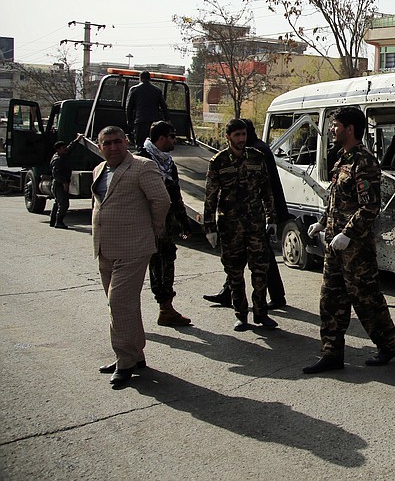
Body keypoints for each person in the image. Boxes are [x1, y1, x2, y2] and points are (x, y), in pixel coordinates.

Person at [302, 106, 395, 374]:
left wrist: (347, 233)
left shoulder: (364, 162)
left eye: (336, 125)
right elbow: (337, 200)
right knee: (330, 299)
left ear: (350, 129)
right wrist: (323, 222)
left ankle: (389, 345)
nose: (332, 130)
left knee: (367, 300)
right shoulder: (341, 160)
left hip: (355, 248)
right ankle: (331, 353)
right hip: (335, 246)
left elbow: (370, 207)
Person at [91, 126, 170, 387]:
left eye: (117, 142)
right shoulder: (99, 170)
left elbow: (161, 201)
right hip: (105, 249)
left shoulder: (142, 166)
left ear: (126, 142)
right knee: (125, 307)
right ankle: (135, 355)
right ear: (99, 146)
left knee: (119, 303)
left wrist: (152, 230)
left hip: (134, 248)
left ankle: (124, 362)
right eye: (107, 143)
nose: (112, 147)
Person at [203, 118, 279, 332]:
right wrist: (209, 227)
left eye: (243, 135)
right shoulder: (218, 162)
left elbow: (267, 191)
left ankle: (261, 313)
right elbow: (210, 196)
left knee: (260, 270)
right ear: (228, 137)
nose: (241, 139)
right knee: (234, 272)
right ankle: (241, 315)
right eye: (237, 135)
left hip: (255, 224)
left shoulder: (257, 157)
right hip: (230, 226)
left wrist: (271, 219)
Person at [136, 121, 192, 327]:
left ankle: (165, 308)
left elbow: (175, 195)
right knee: (141, 268)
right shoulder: (140, 160)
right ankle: (126, 314)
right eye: (172, 136)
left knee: (166, 261)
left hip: (165, 226)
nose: (175, 140)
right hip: (144, 225)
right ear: (161, 138)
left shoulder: (168, 163)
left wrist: (184, 223)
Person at [125, 71, 170, 147]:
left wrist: (129, 121)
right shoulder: (157, 90)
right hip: (153, 122)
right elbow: (164, 107)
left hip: (140, 122)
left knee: (140, 144)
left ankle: (142, 157)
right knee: (153, 144)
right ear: (150, 79)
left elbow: (128, 107)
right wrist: (167, 120)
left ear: (140, 78)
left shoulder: (134, 90)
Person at [49, 138, 79, 229]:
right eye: (63, 148)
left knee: (58, 202)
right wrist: (64, 183)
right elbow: (56, 174)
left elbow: (70, 148)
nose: (65, 148)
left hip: (59, 183)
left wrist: (77, 140)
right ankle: (59, 222)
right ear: (58, 149)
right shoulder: (57, 160)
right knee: (64, 204)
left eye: (65, 147)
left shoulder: (63, 155)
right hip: (59, 184)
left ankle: (53, 221)